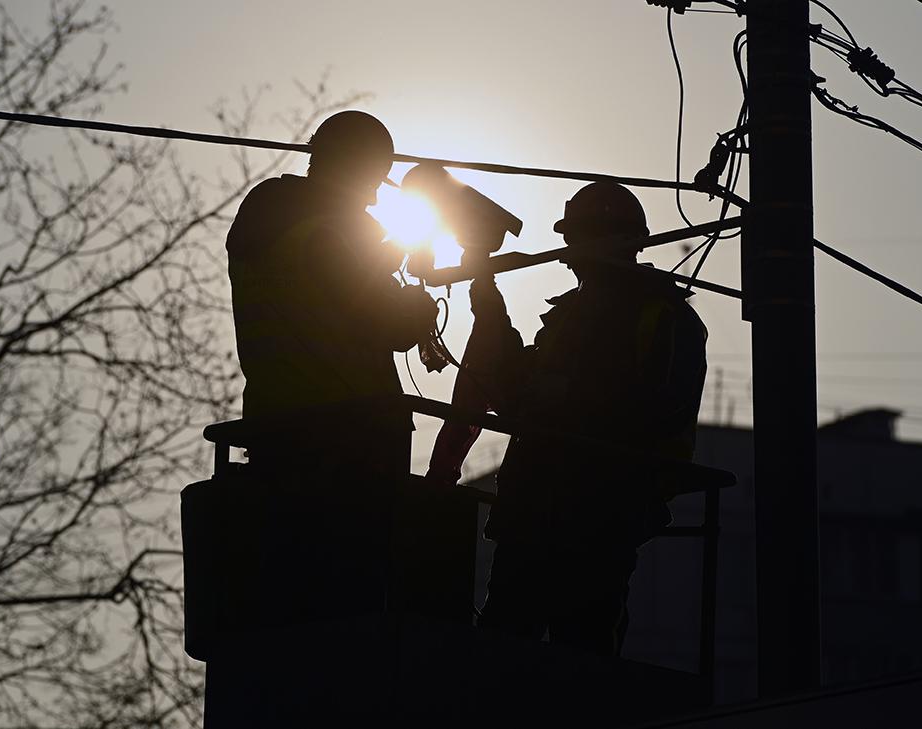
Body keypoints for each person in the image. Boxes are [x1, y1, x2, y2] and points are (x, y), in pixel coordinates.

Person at [432, 182, 707, 656]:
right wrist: (486, 294)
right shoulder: (570, 320)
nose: (567, 256)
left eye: (575, 242)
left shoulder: (663, 320)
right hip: (535, 512)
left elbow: (656, 415)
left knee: (580, 657)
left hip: (599, 518)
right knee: (506, 647)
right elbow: (516, 391)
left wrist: (565, 404)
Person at [225, 110, 438, 620]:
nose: (372, 196)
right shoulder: (332, 231)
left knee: (284, 602)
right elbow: (383, 319)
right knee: (349, 605)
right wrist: (418, 304)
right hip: (348, 436)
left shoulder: (268, 216)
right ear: (358, 170)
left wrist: (384, 255)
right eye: (371, 181)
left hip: (277, 424)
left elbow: (321, 289)